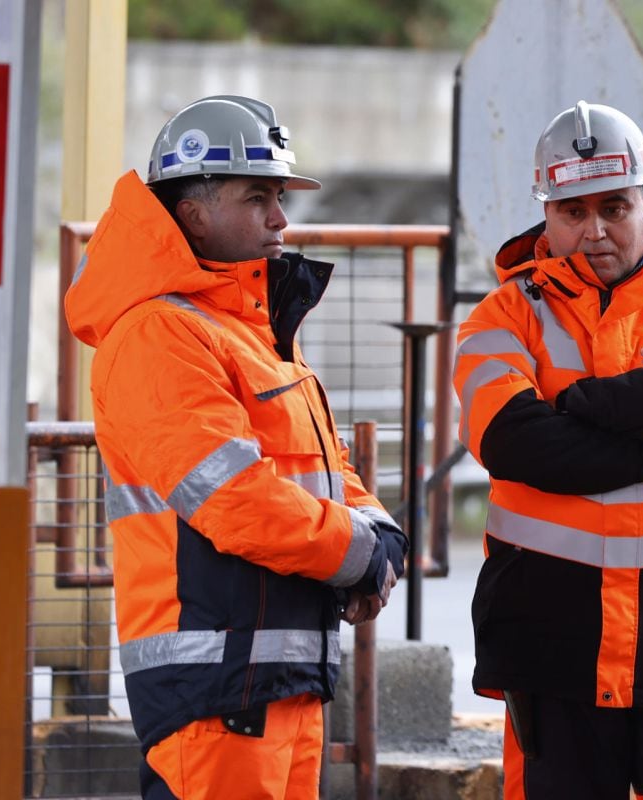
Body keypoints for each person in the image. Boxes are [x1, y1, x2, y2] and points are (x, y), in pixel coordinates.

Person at [64, 95, 408, 800]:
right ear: (193, 213)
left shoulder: (246, 330)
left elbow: (327, 472)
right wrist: (361, 555)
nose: (281, 219)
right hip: (218, 692)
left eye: (280, 198)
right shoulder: (160, 334)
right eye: (258, 197)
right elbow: (236, 500)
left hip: (275, 682)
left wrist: (381, 537)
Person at [453, 101, 643, 800]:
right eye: (573, 211)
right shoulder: (501, 317)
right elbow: (514, 442)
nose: (594, 230)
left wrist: (574, 403)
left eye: (615, 207)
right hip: (550, 637)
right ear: (547, 215)